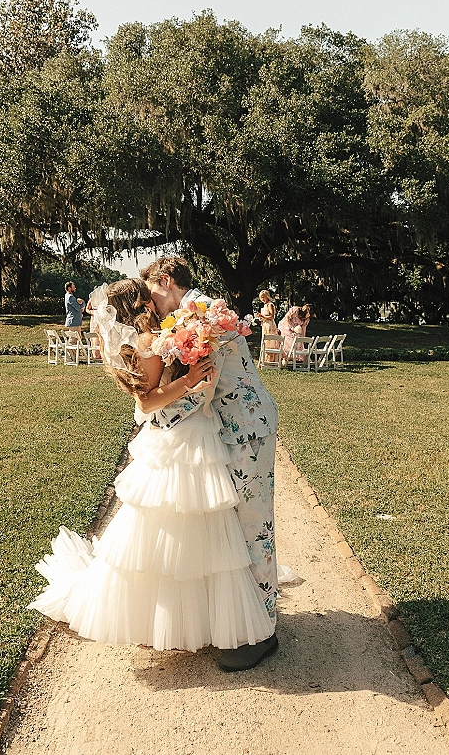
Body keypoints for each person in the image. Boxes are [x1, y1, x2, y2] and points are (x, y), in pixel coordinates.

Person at [29, 278, 275, 662]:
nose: (154, 301)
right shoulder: (146, 341)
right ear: (139, 303)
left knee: (186, 532)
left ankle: (199, 619)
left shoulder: (157, 335)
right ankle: (199, 620)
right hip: (179, 436)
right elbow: (147, 402)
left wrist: (188, 381)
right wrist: (190, 382)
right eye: (146, 295)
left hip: (190, 433)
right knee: (185, 529)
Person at [141, 257, 279, 671]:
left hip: (246, 431)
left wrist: (154, 416)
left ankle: (263, 634)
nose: (151, 306)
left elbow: (203, 386)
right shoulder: (198, 312)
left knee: (255, 528)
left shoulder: (203, 319)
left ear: (165, 282)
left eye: (151, 293)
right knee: (239, 527)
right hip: (239, 429)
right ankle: (244, 621)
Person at [255, 290, 278, 364]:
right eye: (261, 298)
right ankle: (265, 359)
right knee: (265, 341)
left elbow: (271, 316)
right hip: (265, 324)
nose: (262, 299)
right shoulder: (265, 305)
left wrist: (262, 316)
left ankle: (271, 359)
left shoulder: (270, 304)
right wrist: (261, 318)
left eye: (263, 297)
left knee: (270, 341)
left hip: (270, 325)